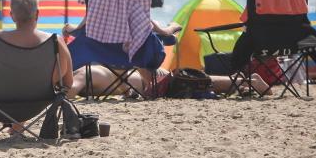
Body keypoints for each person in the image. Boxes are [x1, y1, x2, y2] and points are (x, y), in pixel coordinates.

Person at [70, 64, 270, 99]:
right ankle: (246, 83)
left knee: (199, 83)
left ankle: (251, 81)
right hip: (153, 80)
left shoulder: (81, 73)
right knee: (202, 84)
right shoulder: (90, 69)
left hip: (157, 82)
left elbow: (69, 90)